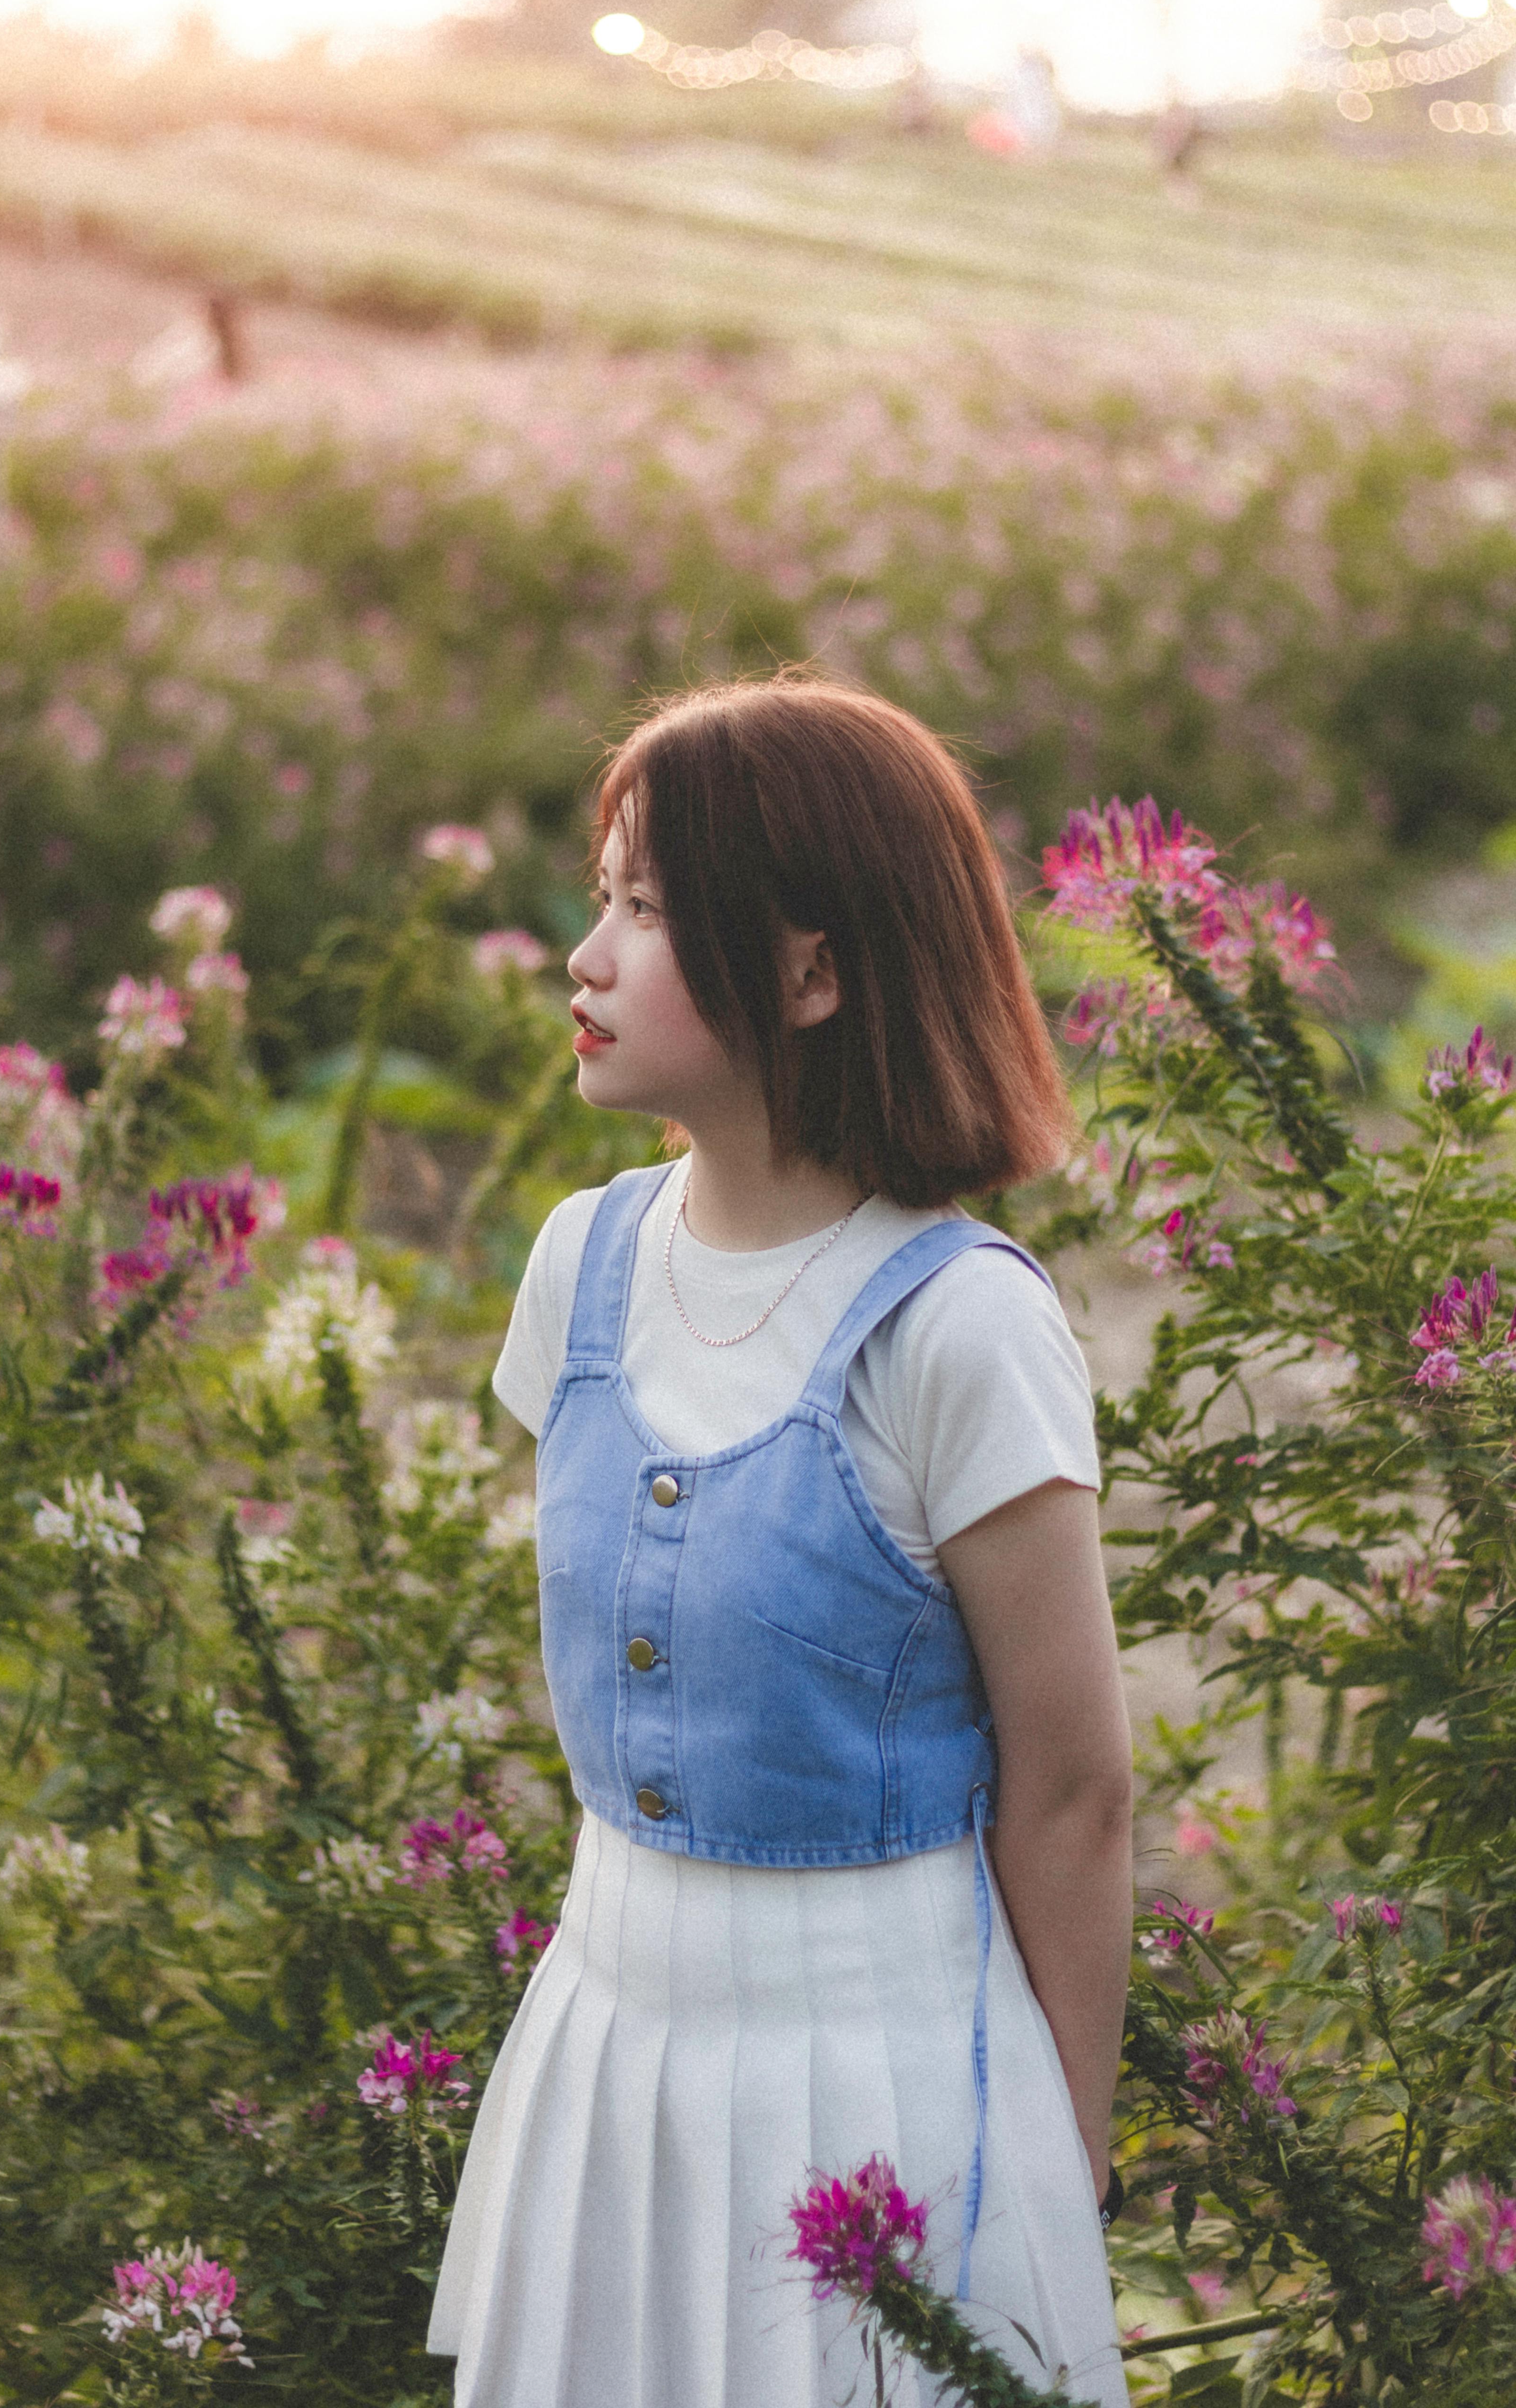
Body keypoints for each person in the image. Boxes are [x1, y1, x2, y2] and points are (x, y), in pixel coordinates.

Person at [427, 676, 1134, 2408]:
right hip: (613, 2048)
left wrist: (1065, 2169)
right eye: (606, 898)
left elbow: (1073, 1788)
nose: (586, 957)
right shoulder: (579, 1267)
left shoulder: (958, 1329)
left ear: (813, 976)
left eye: (651, 913)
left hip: (876, 2071)